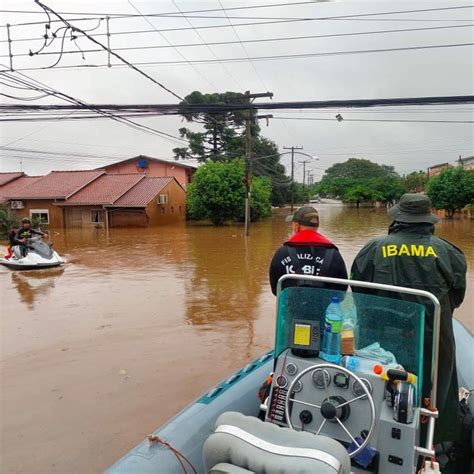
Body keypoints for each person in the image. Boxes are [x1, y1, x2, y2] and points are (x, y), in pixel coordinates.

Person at [351, 193, 467, 444]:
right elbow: (457, 297)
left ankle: (375, 439)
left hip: (381, 343)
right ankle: (431, 444)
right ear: (428, 220)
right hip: (433, 340)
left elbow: (359, 294)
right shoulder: (448, 251)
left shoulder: (373, 249)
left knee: (381, 394)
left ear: (397, 219)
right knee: (433, 395)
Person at [269, 206, 348, 295]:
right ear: (317, 226)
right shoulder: (333, 254)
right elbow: (342, 291)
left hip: (290, 308)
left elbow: (276, 290)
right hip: (324, 308)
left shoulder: (282, 253)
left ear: (296, 226)